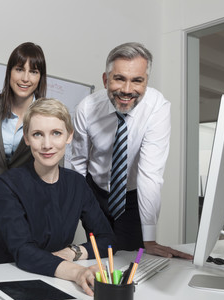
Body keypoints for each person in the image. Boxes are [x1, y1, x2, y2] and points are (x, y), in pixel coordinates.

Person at [0, 98, 116, 296]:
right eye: (37, 134)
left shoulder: (77, 183)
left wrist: (73, 252)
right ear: (26, 138)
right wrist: (77, 272)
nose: (47, 144)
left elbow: (107, 239)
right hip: (6, 276)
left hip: (53, 277)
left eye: (56, 133)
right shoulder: (7, 184)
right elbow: (23, 252)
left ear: (69, 136)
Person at [71, 42, 192, 259]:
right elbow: (78, 162)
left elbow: (150, 174)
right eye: (119, 79)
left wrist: (150, 239)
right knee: (97, 255)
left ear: (146, 81)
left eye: (137, 81)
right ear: (105, 80)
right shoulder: (86, 108)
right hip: (95, 191)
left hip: (132, 195)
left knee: (132, 256)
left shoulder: (157, 107)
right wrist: (74, 208)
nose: (127, 90)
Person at [0, 42, 47, 218]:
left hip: (25, 206)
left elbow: (52, 171)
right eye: (19, 69)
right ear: (9, 72)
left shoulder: (47, 115)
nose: (25, 78)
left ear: (40, 78)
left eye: (34, 72)